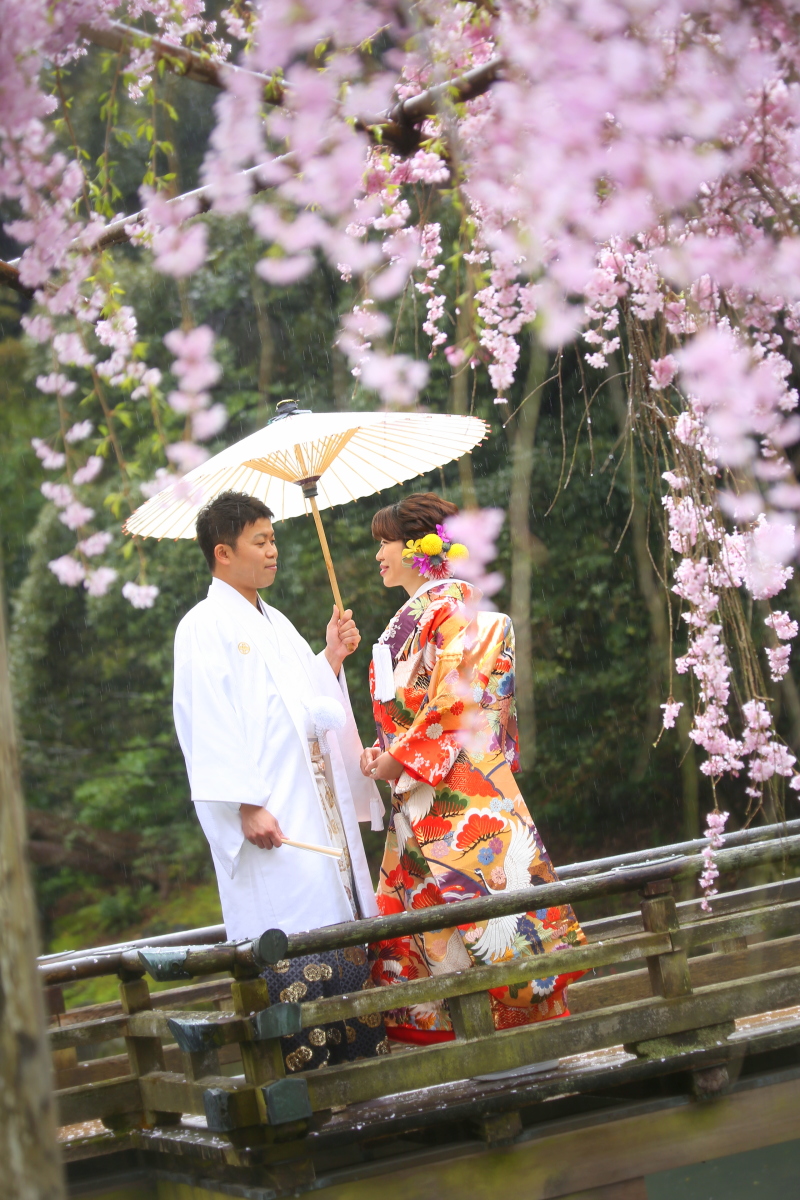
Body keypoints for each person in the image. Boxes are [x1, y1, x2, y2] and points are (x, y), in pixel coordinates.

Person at [360, 492, 585, 1045]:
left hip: (461, 796)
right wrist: (380, 752)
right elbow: (412, 713)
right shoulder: (408, 621)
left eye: (384, 543)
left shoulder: (459, 612)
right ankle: (467, 1057)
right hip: (419, 796)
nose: (377, 556)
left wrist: (398, 755)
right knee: (436, 932)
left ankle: (519, 1053)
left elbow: (456, 704)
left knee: (490, 924)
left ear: (416, 548)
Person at [173, 490, 387, 1069]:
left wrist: (331, 657)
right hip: (269, 815)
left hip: (314, 806)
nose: (273, 552)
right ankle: (309, 1087)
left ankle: (362, 1078)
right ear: (223, 552)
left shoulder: (277, 621)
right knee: (284, 935)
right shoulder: (203, 626)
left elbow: (305, 701)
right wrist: (244, 804)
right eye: (260, 541)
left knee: (334, 926)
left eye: (273, 540)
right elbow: (206, 723)